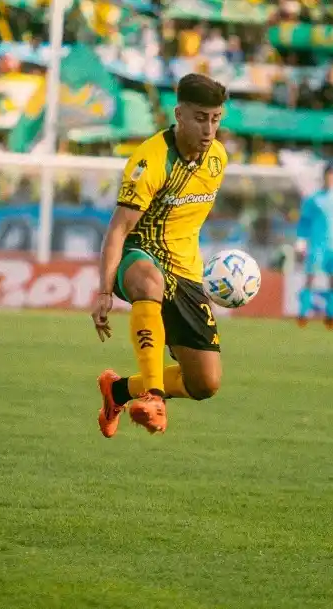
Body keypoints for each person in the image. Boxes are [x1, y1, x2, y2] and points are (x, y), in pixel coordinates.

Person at [91, 73, 229, 437]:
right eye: (200, 118)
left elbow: (186, 223)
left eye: (216, 118)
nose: (209, 128)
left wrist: (200, 284)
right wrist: (105, 290)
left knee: (205, 383)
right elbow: (118, 229)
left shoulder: (217, 160)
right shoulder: (149, 161)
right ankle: (152, 395)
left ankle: (117, 389)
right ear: (179, 114)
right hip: (139, 255)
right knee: (149, 280)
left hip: (184, 272)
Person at [294, 162, 333, 328]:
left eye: (332, 175)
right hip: (316, 245)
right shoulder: (313, 199)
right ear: (323, 177)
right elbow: (304, 222)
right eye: (327, 175)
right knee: (310, 278)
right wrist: (300, 242)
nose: (330, 178)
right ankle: (303, 313)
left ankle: (331, 315)